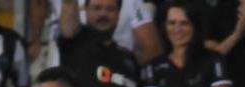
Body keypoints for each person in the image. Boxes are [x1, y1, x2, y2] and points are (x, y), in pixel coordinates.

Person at [29, 0, 160, 66]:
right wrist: (35, 40)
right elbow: (39, 3)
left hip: (115, 72)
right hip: (69, 67)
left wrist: (130, 74)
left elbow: (150, 47)